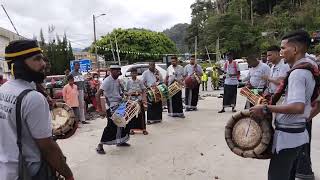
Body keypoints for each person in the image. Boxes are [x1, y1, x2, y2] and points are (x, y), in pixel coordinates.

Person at [250, 30, 319, 180]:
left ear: (295, 50)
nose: (281, 52)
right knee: (289, 175)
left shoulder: (297, 73)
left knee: (277, 176)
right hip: (298, 134)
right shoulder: (310, 68)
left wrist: (266, 108)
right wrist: (306, 118)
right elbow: (316, 102)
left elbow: (297, 107)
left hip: (288, 138)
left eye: (283, 48)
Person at [0, 40, 73, 180]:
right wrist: (69, 175)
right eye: (37, 59)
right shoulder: (32, 98)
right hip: (29, 172)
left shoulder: (3, 89)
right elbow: (48, 148)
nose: (43, 64)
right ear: (19, 64)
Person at [95, 65, 131, 154]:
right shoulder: (107, 81)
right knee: (111, 126)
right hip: (112, 106)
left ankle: (120, 141)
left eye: (119, 70)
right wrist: (100, 110)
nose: (118, 72)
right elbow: (97, 94)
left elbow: (120, 92)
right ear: (111, 71)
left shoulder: (118, 80)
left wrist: (124, 94)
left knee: (122, 123)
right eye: (116, 71)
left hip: (120, 105)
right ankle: (100, 145)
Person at [125, 68, 148, 135]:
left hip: (139, 100)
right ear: (131, 74)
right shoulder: (128, 82)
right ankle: (131, 129)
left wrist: (144, 98)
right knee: (131, 115)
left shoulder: (140, 81)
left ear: (137, 74)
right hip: (131, 100)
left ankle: (144, 129)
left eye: (135, 73)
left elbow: (144, 90)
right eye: (132, 73)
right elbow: (125, 91)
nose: (134, 74)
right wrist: (129, 94)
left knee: (142, 115)